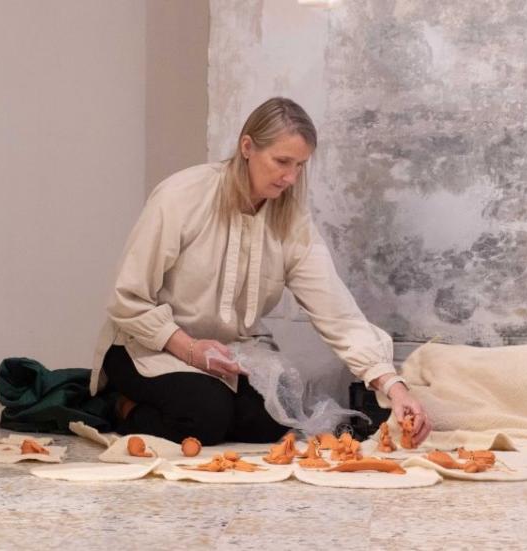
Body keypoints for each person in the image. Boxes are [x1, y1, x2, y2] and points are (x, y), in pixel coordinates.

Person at [89, 97, 430, 446]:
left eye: (300, 165)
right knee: (204, 415)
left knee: (274, 420)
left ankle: (206, 406)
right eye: (282, 161)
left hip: (228, 356)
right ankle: (120, 405)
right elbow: (127, 299)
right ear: (247, 147)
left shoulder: (291, 220)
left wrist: (395, 388)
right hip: (150, 346)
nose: (290, 177)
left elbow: (336, 312)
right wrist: (190, 349)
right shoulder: (181, 197)